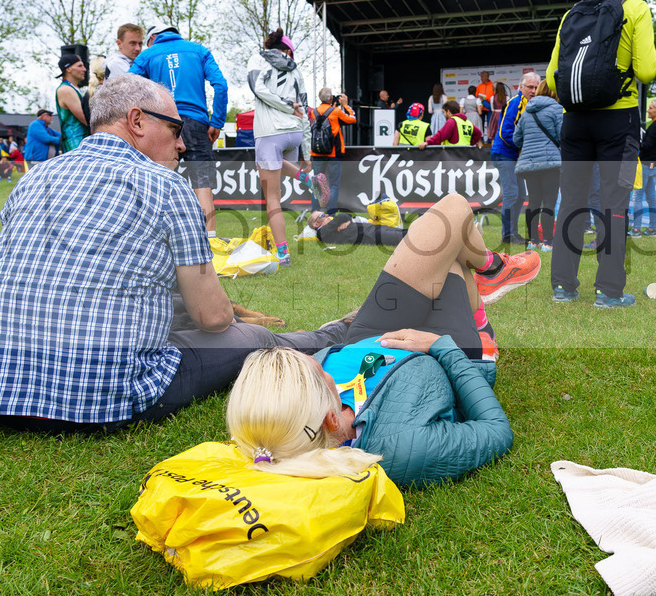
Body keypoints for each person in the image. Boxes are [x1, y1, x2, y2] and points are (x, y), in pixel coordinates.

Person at [0, 74, 350, 433]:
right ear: (137, 120)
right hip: (104, 399)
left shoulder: (34, 178)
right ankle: (332, 334)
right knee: (253, 337)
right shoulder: (164, 185)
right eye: (175, 129)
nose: (182, 143)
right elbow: (213, 319)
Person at [226, 193, 541, 487]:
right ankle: (485, 308)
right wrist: (439, 346)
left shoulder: (282, 419)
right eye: (313, 370)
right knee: (453, 257)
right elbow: (496, 431)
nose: (309, 358)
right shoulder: (402, 448)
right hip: (437, 355)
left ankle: (490, 273)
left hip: (368, 336)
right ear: (332, 420)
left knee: (446, 224)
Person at [547, 0, 656, 308]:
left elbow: (551, 76)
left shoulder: (571, 15)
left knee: (572, 204)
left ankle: (563, 287)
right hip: (618, 118)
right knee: (614, 204)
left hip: (575, 120)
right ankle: (609, 291)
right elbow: (647, 71)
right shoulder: (635, 7)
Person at [130, 25, 228, 237]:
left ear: (153, 38)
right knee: (203, 184)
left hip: (161, 121)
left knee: (159, 182)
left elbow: (128, 87)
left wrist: (138, 122)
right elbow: (220, 85)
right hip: (196, 122)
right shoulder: (199, 50)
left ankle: (156, 239)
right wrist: (217, 122)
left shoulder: (148, 54)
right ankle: (210, 243)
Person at [246, 28, 328, 266]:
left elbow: (257, 89)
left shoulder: (258, 59)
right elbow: (304, 109)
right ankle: (308, 179)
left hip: (270, 132)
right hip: (292, 133)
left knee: (272, 199)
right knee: (277, 168)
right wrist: (306, 151)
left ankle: (283, 254)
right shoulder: (296, 69)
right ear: (288, 51)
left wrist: (283, 104)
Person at [514, 80, 563, 251]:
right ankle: (548, 242)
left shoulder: (527, 111)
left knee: (533, 202)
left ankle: (532, 241)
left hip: (529, 163)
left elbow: (516, 139)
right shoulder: (557, 109)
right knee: (549, 202)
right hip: (550, 163)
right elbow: (562, 136)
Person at [492, 72, 540, 245]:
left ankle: (513, 234)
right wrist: (524, 147)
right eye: (530, 87)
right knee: (513, 194)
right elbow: (504, 132)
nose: (533, 90)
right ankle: (508, 235)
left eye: (536, 87)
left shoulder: (531, 104)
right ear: (521, 87)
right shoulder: (515, 103)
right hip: (504, 153)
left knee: (520, 196)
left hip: (515, 155)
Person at [630, 98, 656, 237]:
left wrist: (635, 142)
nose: (648, 110)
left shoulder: (655, 126)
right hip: (653, 165)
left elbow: (647, 146)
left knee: (637, 197)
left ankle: (636, 229)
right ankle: (652, 228)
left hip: (645, 164)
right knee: (651, 198)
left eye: (651, 108)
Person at [311, 88, 357, 214]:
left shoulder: (314, 112)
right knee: (333, 185)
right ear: (331, 98)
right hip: (333, 153)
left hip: (316, 152)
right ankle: (330, 213)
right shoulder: (336, 111)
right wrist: (346, 105)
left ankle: (315, 212)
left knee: (317, 184)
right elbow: (352, 119)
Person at [307, 211, 406, 247]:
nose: (327, 215)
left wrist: (348, 221)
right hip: (369, 236)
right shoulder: (321, 233)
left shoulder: (331, 226)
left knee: (403, 232)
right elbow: (341, 216)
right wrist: (342, 220)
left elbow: (346, 215)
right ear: (316, 224)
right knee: (401, 237)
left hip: (370, 228)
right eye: (323, 215)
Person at [55, 53, 89, 153]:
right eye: (80, 66)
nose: (84, 69)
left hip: (81, 145)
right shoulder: (66, 90)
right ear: (68, 69)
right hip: (76, 147)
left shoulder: (74, 89)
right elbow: (87, 119)